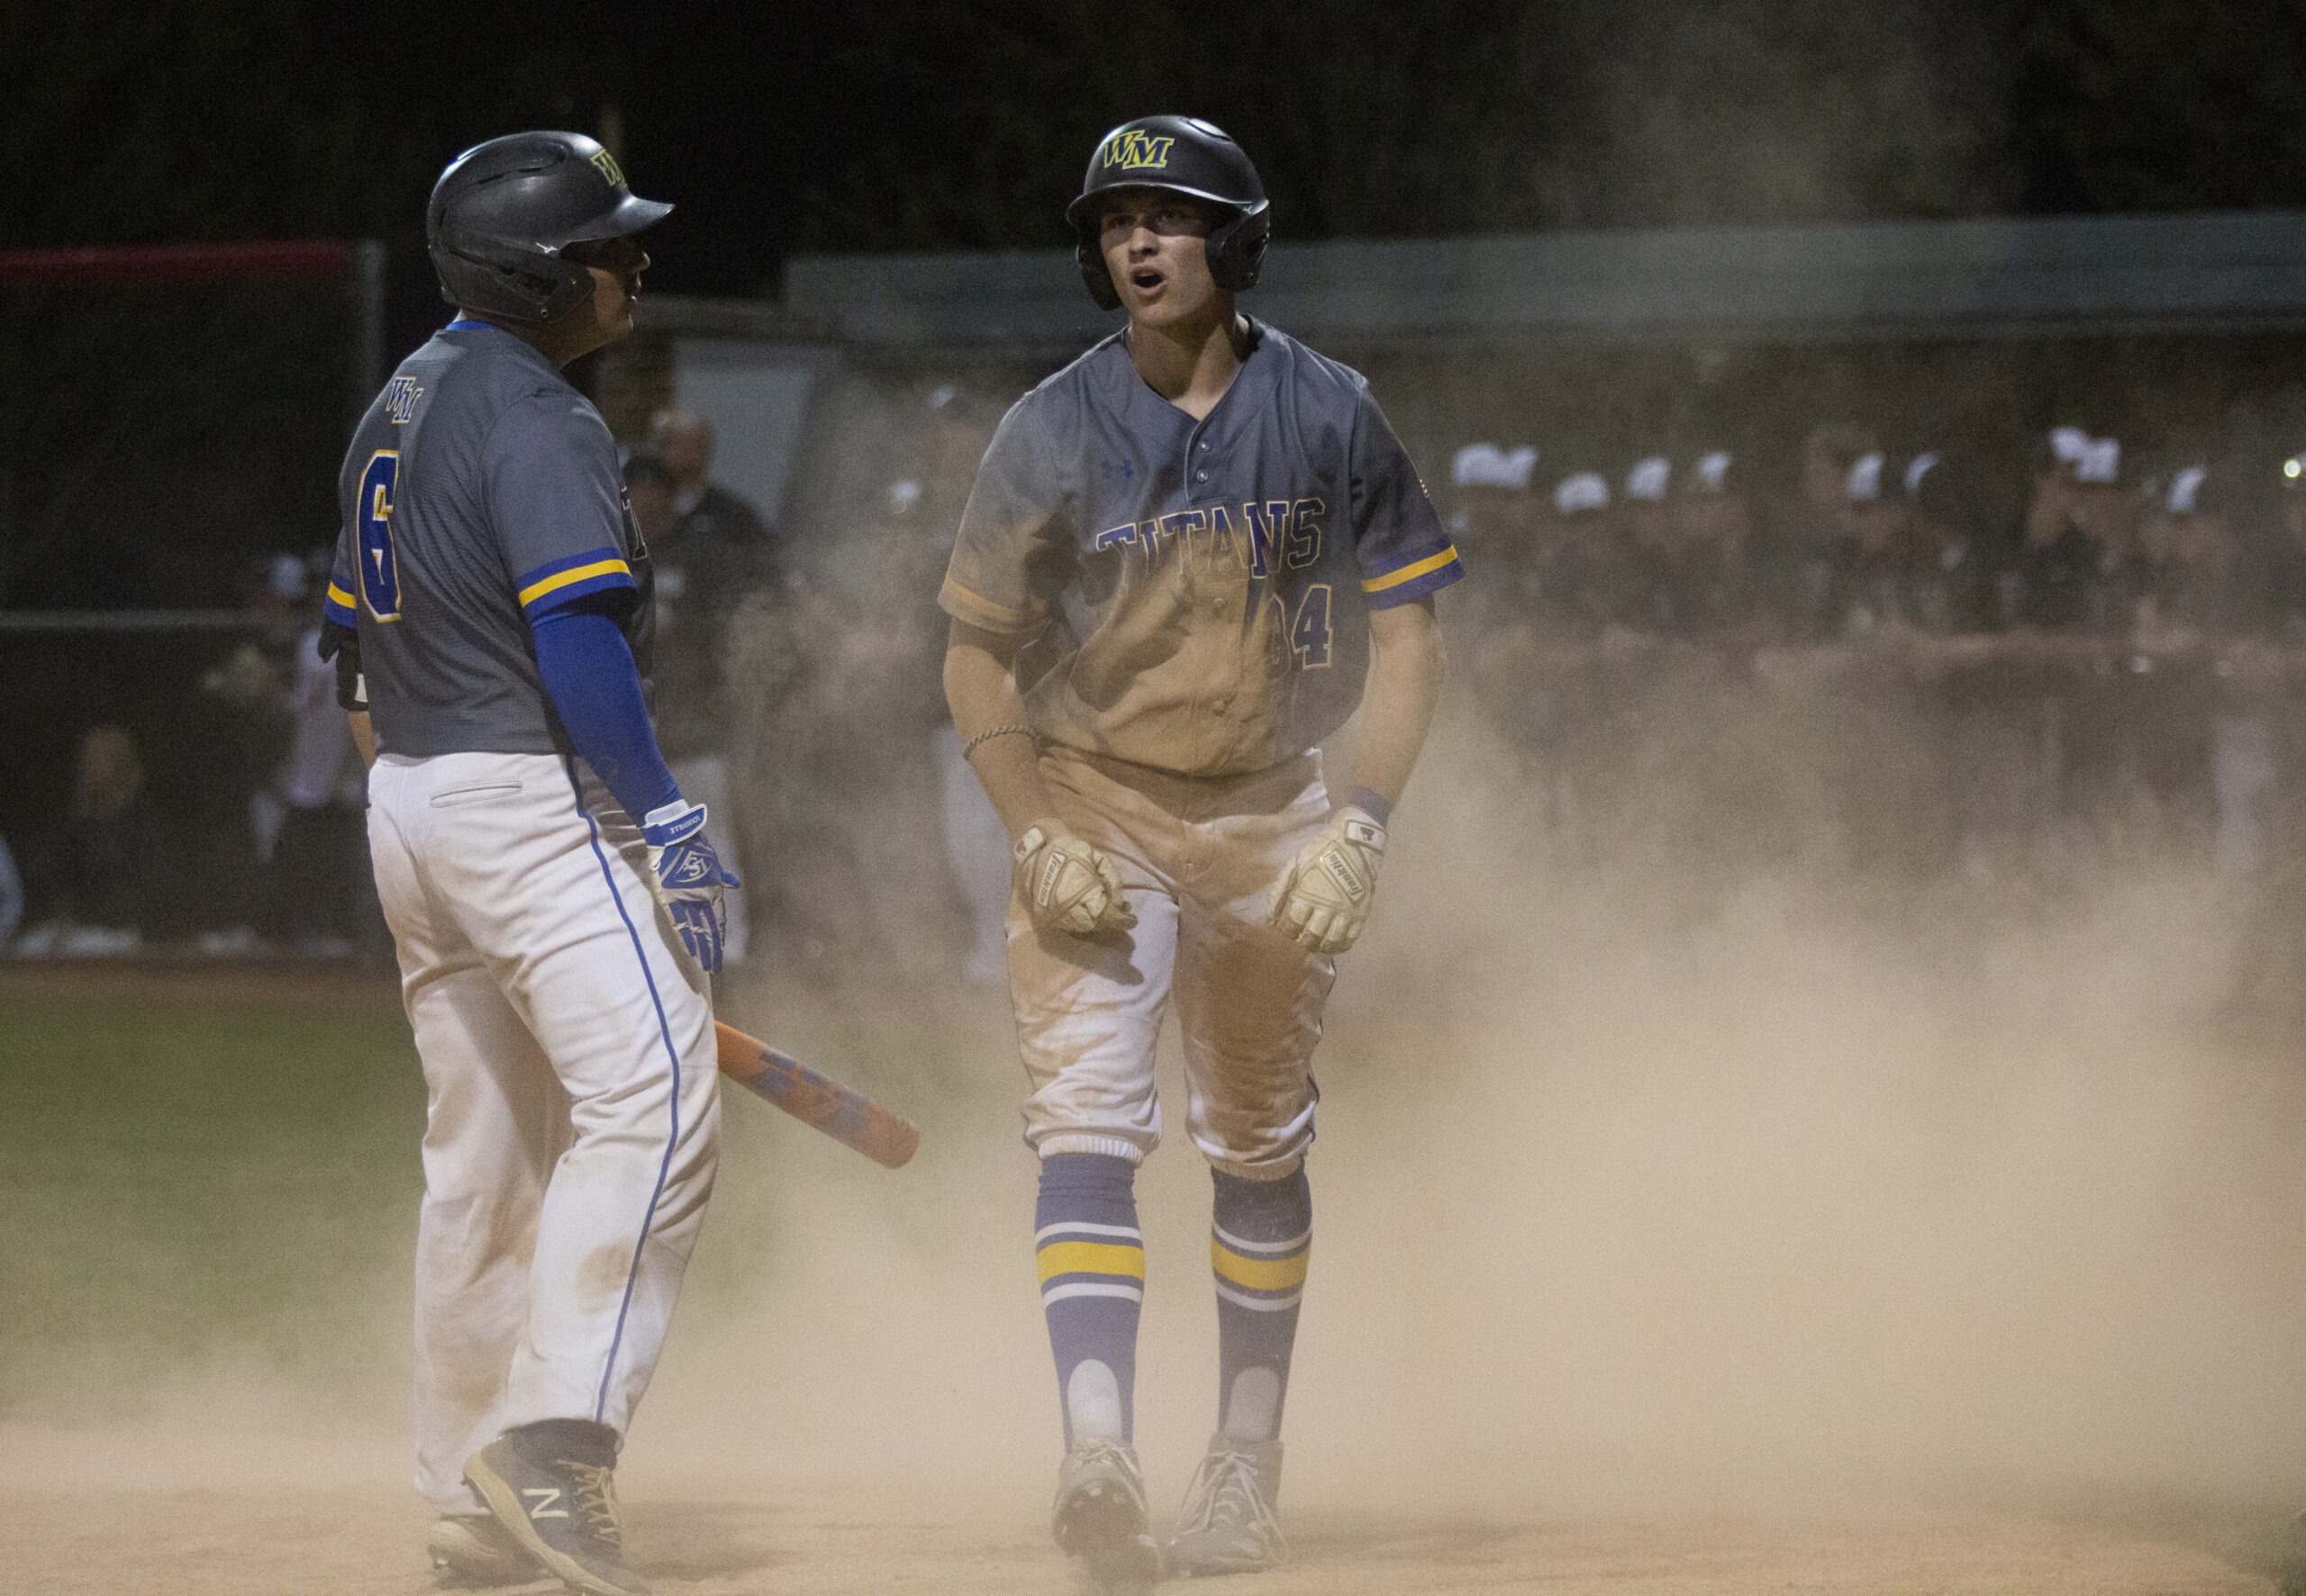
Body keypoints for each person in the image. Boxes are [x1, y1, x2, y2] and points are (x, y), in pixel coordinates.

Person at [940, 115, 1458, 1590]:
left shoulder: (1331, 409)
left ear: (1233, 243)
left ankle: (1245, 1457)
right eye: (1116, 225)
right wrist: (1033, 829)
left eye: (1169, 219)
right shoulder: (1049, 424)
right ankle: (1096, 1446)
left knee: (1255, 1135)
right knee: (1086, 1116)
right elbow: (976, 657)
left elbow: (1413, 635)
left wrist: (1362, 826)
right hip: (1095, 793)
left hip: (1273, 801)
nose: (1138, 244)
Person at [322, 131, 731, 1596]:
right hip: (517, 792)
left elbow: (346, 647)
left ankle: (463, 1487)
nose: (634, 260)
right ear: (543, 272)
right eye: (612, 242)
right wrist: (667, 820)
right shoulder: (541, 415)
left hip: (413, 798)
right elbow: (573, 638)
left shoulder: (399, 398)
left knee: (485, 1156)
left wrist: (432, 789)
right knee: (661, 1090)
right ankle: (556, 1446)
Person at [637, 409, 780, 966]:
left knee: (711, 837)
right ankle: (657, 948)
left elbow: (737, 631)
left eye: (657, 490)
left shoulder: (708, 547)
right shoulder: (616, 557)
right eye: (638, 490)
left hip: (701, 726)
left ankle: (731, 948)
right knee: (642, 846)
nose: (648, 501)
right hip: (641, 728)